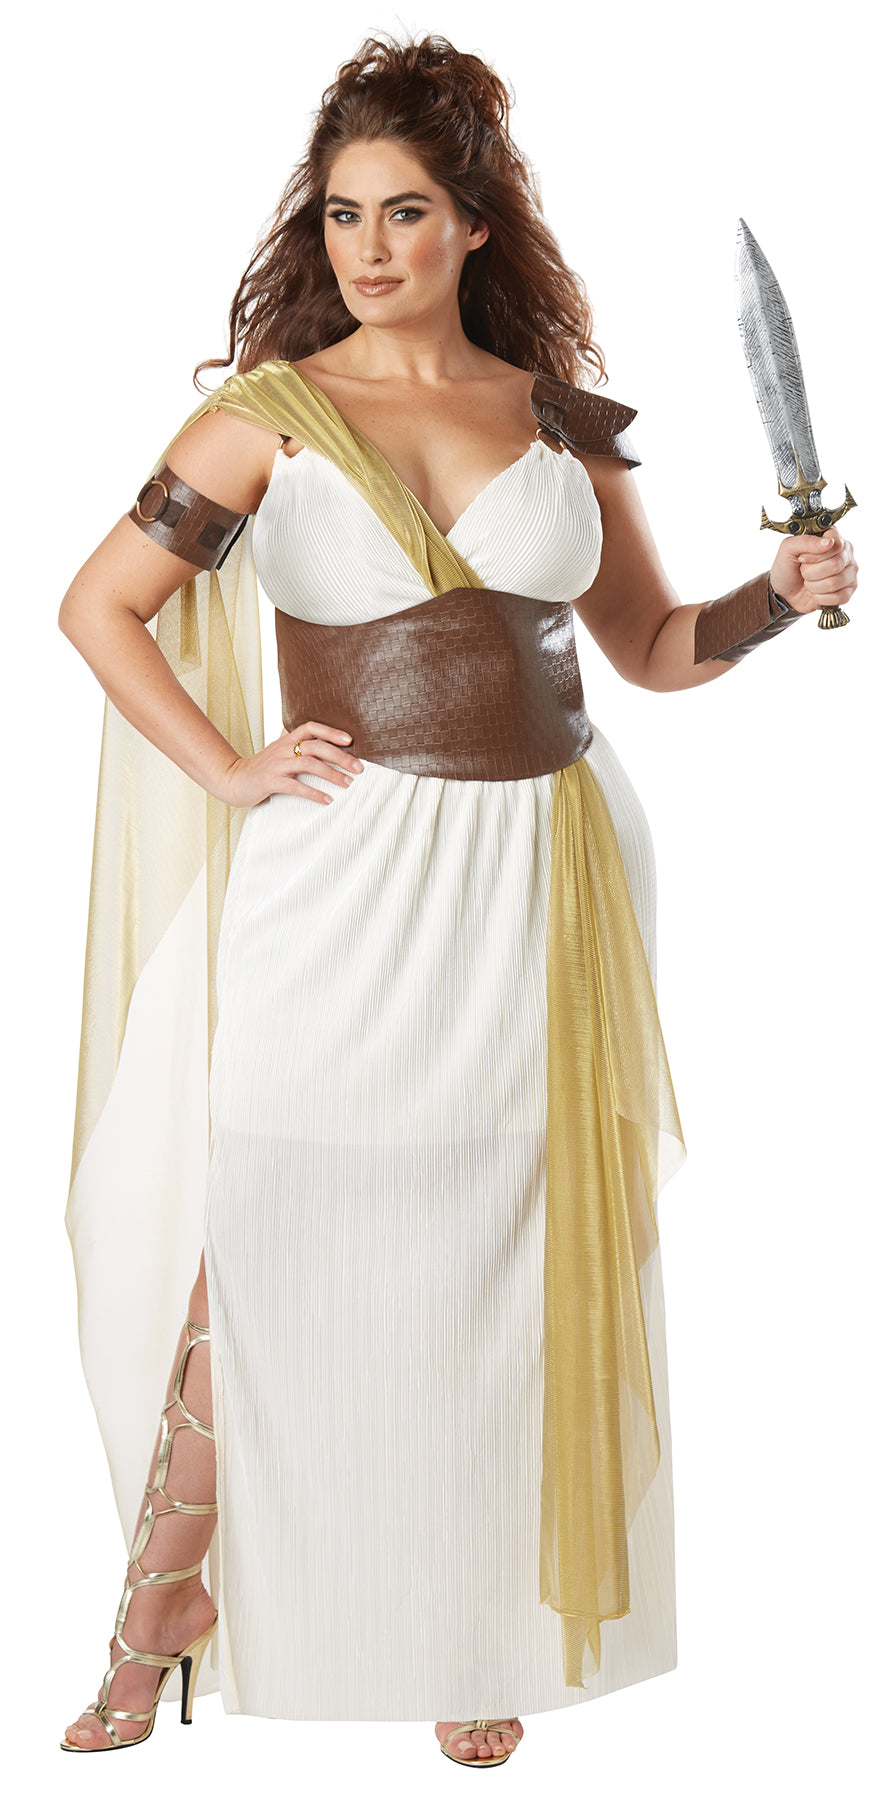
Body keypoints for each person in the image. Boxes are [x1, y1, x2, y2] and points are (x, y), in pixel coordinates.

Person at [58, 32, 858, 1765]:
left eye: (405, 211)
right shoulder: (265, 419)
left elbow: (653, 648)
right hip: (340, 877)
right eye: (343, 213)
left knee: (496, 1251)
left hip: (544, 876)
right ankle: (162, 1605)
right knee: (275, 1229)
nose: (369, 246)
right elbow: (97, 608)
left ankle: (472, 1617)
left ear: (474, 222)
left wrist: (774, 600)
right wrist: (228, 768)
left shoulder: (556, 417)